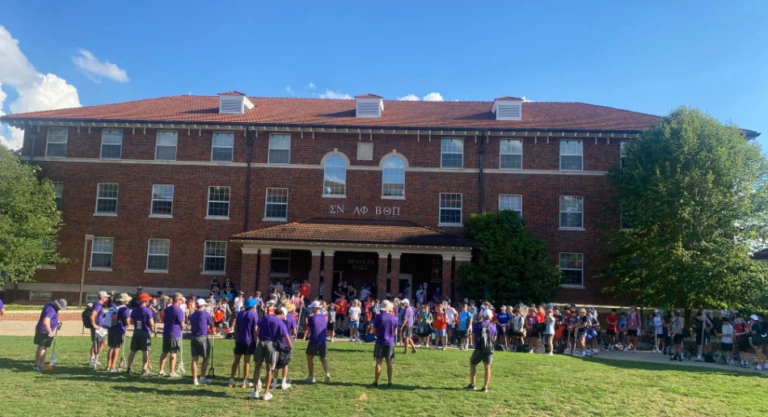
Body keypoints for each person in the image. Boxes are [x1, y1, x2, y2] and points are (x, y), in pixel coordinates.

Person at [250, 307, 293, 401]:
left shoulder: (266, 317)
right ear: (281, 314)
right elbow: (287, 337)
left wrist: (256, 338)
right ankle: (266, 393)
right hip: (271, 345)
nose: (283, 318)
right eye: (283, 316)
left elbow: (257, 329)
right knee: (270, 369)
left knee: (257, 367)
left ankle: (255, 391)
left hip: (261, 343)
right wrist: (290, 348)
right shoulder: (280, 323)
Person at [229, 298, 259, 388]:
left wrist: (236, 337)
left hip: (239, 340)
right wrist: (256, 340)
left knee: (236, 361)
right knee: (247, 362)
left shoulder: (240, 314)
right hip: (249, 341)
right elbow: (255, 330)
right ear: (253, 306)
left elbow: (236, 327)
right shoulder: (254, 315)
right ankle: (244, 382)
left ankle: (231, 380)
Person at [466, 309, 497, 392]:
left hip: (479, 348)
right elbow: (494, 339)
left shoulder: (477, 325)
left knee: (473, 364)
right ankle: (485, 387)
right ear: (490, 317)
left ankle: (473, 385)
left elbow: (473, 337)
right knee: (487, 367)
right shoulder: (493, 327)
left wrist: (474, 344)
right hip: (489, 349)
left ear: (482, 315)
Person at [126, 293, 156, 375]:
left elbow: (131, 321)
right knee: (145, 351)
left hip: (136, 331)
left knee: (133, 350)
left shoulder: (135, 309)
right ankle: (144, 369)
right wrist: (153, 329)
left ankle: (128, 368)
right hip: (145, 332)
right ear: (146, 301)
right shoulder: (148, 310)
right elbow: (151, 322)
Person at [158, 293, 186, 377]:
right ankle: (172, 372)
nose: (182, 301)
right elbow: (182, 324)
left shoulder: (167, 309)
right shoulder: (179, 310)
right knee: (173, 353)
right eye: (181, 300)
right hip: (175, 333)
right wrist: (185, 325)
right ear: (177, 300)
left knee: (164, 352)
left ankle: (161, 370)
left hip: (166, 331)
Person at [33, 298, 66, 371]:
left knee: (39, 347)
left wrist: (56, 321)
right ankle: (41, 366)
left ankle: (36, 364)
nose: (60, 309)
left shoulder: (49, 304)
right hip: (45, 331)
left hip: (39, 329)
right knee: (43, 348)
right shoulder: (52, 310)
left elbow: (49, 318)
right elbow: (45, 322)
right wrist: (50, 331)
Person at [371, 300, 397, 387]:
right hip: (390, 342)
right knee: (389, 363)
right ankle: (390, 382)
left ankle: (376, 381)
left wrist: (377, 335)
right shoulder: (394, 318)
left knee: (378, 363)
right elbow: (395, 332)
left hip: (380, 341)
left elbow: (374, 330)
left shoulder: (379, 317)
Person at [305, 301, 330, 383]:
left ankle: (311, 376)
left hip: (314, 340)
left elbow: (309, 329)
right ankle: (327, 373)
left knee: (309, 357)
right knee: (323, 358)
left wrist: (306, 336)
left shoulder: (311, 317)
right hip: (323, 340)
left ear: (315, 308)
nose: (311, 309)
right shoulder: (324, 317)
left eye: (312, 307)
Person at [189, 298, 213, 385]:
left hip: (193, 337)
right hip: (202, 337)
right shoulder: (205, 314)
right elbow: (211, 324)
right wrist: (213, 329)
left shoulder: (193, 315)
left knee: (194, 359)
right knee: (205, 357)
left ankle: (195, 379)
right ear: (202, 305)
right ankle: (202, 377)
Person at [106, 293, 131, 372]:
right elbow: (127, 321)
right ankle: (113, 367)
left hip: (111, 329)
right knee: (116, 348)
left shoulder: (113, 307)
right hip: (119, 330)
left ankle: (108, 365)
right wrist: (128, 325)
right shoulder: (125, 309)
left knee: (111, 347)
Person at [89, 291, 110, 369]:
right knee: (99, 343)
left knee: (99, 343)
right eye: (105, 297)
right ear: (101, 297)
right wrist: (94, 325)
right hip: (98, 327)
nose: (107, 298)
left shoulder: (99, 305)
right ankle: (93, 359)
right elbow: (92, 315)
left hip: (100, 327)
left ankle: (94, 358)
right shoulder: (98, 305)